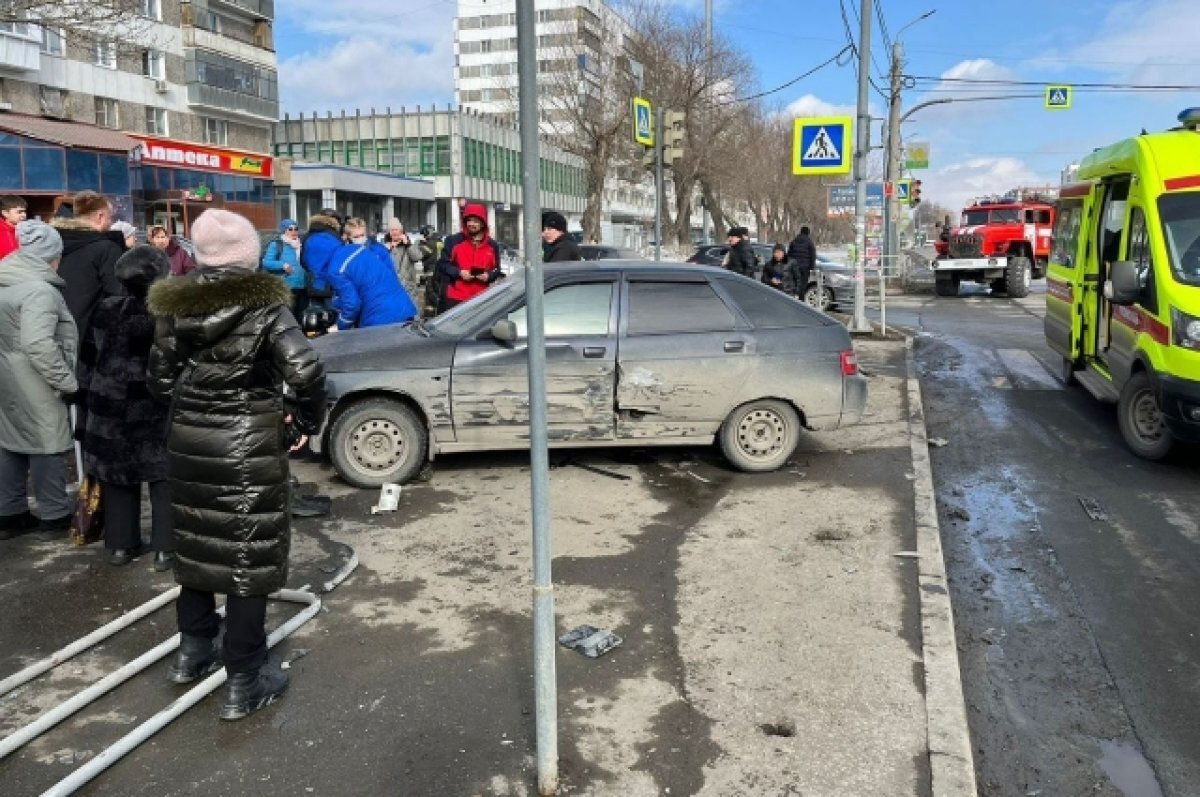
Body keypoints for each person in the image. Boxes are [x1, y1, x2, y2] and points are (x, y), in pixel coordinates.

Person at [147, 208, 326, 721]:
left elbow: (158, 379)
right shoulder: (266, 306)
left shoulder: (173, 306)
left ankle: (193, 649)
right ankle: (245, 676)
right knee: (247, 554)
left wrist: (193, 403)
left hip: (189, 439)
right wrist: (306, 417)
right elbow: (306, 368)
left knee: (199, 540)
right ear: (247, 255)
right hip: (246, 442)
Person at [81, 245, 173, 568]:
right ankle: (166, 549)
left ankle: (121, 545)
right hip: (155, 406)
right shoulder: (166, 313)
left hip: (109, 407)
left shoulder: (106, 308)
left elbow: (88, 355)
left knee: (117, 475)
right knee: (164, 477)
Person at [0, 221, 78, 539]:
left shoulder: (6, 281)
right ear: (51, 257)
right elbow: (39, 344)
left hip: (6, 374)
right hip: (35, 379)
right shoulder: (40, 291)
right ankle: (55, 513)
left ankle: (10, 512)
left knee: (10, 441)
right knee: (47, 441)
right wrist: (67, 382)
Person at [52, 191, 125, 341]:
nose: (111, 222)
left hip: (53, 326)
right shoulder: (106, 248)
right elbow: (118, 293)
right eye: (110, 217)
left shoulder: (52, 242)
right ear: (100, 216)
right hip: (90, 336)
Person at [328, 217, 417, 330]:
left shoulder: (377, 250)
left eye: (362, 235)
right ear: (347, 237)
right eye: (356, 236)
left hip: (377, 312)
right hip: (392, 308)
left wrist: (341, 324)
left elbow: (391, 276)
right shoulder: (349, 256)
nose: (360, 239)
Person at [436, 203, 502, 313]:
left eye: (475, 221)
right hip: (455, 298)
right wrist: (460, 273)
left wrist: (488, 276)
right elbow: (442, 265)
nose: (471, 224)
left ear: (483, 223)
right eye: (469, 220)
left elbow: (497, 270)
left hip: (481, 298)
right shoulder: (453, 241)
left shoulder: (492, 245)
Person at [261, 218, 308, 314]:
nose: (294, 231)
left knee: (301, 316)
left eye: (296, 229)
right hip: (286, 286)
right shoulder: (277, 244)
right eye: (290, 229)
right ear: (284, 231)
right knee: (288, 315)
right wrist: (283, 265)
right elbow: (266, 262)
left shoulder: (300, 244)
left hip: (302, 286)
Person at [299, 209, 342, 309]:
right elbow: (340, 261)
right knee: (332, 315)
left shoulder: (307, 235)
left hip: (313, 283)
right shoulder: (335, 236)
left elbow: (303, 261)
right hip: (332, 284)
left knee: (316, 315)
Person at [384, 219, 423, 306]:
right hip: (391, 288)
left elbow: (418, 257)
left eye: (396, 230)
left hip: (408, 288)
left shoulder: (409, 246)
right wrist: (387, 249)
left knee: (411, 314)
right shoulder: (384, 247)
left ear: (401, 231)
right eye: (392, 230)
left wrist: (408, 244)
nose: (394, 232)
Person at [786, 225, 818, 299]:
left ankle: (793, 298)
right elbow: (813, 256)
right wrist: (812, 267)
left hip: (794, 267)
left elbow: (788, 255)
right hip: (805, 268)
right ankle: (801, 299)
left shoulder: (793, 242)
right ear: (808, 233)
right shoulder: (810, 243)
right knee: (803, 284)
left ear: (800, 232)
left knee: (794, 283)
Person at [418, 226, 443, 316]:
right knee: (438, 294)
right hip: (439, 273)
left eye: (424, 234)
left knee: (430, 297)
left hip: (430, 273)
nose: (424, 236)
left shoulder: (429, 244)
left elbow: (419, 255)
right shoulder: (440, 242)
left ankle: (429, 317)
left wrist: (420, 244)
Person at [0, 195, 28, 261]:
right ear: (5, 213)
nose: (24, 215)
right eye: (19, 212)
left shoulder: (26, 231)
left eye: (24, 211)